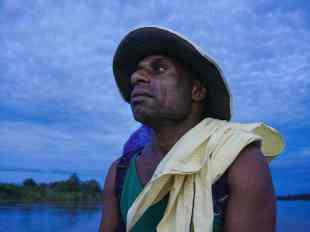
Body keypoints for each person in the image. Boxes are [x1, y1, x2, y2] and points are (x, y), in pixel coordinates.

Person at [99, 26, 284, 232]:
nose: (136, 78)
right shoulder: (119, 172)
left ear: (196, 91)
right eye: (137, 72)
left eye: (159, 68)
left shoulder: (240, 161)